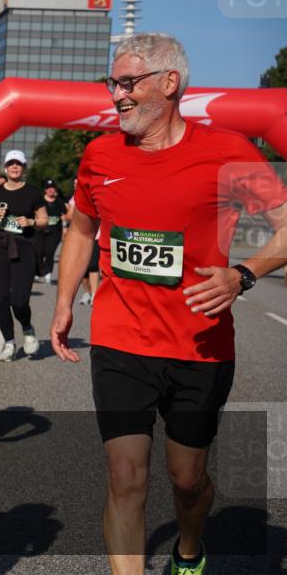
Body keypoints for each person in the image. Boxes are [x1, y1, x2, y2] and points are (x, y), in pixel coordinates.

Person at [50, 32, 287, 575]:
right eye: (113, 83)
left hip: (199, 344)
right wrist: (65, 301)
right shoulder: (99, 153)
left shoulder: (227, 151)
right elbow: (82, 229)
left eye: (128, 82)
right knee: (126, 476)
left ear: (170, 82)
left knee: (187, 478)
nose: (117, 95)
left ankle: (188, 546)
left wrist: (242, 274)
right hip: (120, 338)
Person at [0, 150, 48, 362]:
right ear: (6, 167)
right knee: (1, 299)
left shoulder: (33, 192)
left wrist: (31, 222)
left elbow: (45, 219)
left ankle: (27, 330)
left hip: (24, 247)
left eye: (18, 164)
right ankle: (9, 343)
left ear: (24, 167)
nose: (14, 167)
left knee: (19, 301)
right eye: (11, 163)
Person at [35, 179, 67, 284]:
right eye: (48, 188)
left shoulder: (60, 202)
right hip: (40, 231)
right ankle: (39, 271)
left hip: (54, 232)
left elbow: (64, 215)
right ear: (45, 190)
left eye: (52, 188)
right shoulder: (40, 201)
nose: (50, 190)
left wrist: (65, 228)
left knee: (49, 253)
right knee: (39, 253)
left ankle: (48, 273)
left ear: (55, 190)